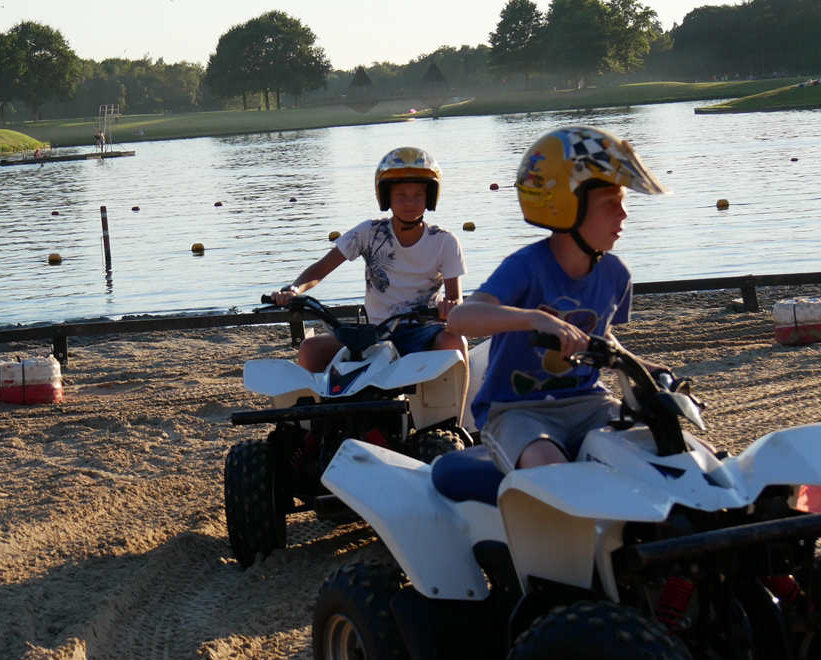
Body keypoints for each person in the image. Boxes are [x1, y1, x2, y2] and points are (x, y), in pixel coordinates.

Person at [447, 126, 671, 474]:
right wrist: (532, 318)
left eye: (623, 202)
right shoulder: (525, 267)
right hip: (516, 410)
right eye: (610, 204)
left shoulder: (616, 274)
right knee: (550, 467)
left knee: (662, 449)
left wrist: (639, 365)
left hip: (590, 403)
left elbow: (598, 336)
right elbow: (461, 319)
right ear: (566, 205)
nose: (624, 215)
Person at [272, 146, 468, 373]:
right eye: (401, 195)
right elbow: (322, 268)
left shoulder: (445, 241)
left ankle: (462, 407)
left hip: (426, 331)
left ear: (430, 197)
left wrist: (449, 307)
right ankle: (316, 408)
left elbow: (456, 301)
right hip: (376, 333)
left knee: (455, 342)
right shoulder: (369, 232)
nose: (409, 202)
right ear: (387, 197)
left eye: (418, 195)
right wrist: (293, 290)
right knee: (310, 349)